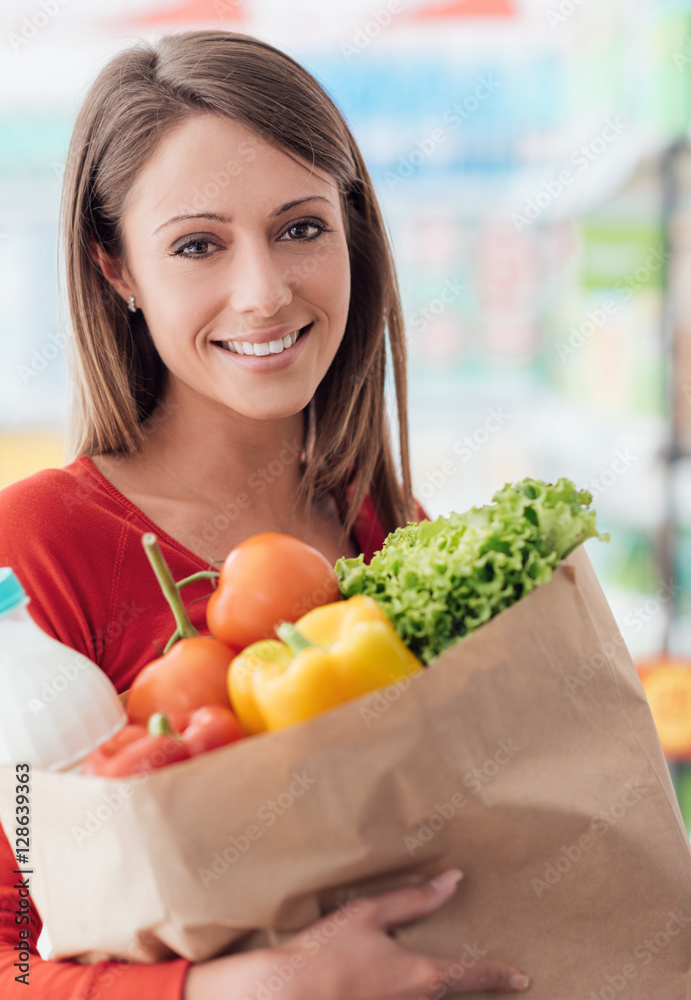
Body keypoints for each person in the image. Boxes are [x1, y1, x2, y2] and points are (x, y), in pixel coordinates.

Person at [0, 30, 530, 999]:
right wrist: (237, 989)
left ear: (351, 234)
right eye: (199, 244)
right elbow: (10, 946)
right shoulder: (34, 555)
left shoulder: (387, 523)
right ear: (115, 268)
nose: (264, 291)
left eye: (300, 228)